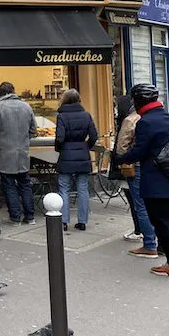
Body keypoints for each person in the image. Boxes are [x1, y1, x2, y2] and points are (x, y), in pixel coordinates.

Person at [114, 83, 169, 278]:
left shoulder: (146, 122)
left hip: (155, 178)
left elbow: (141, 150)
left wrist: (121, 157)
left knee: (160, 221)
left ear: (139, 101)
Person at [114, 97, 159, 258]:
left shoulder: (130, 120)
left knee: (140, 205)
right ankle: (161, 242)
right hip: (156, 166)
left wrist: (123, 159)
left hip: (137, 166)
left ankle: (149, 244)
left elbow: (121, 147)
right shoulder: (154, 117)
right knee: (155, 204)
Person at [0, 82, 37, 225]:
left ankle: (15, 217)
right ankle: (30, 217)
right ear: (13, 91)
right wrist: (24, 140)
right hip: (22, 152)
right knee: (25, 183)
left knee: (9, 184)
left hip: (4, 152)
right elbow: (33, 130)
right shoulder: (26, 106)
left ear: (0, 93)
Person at [54, 89, 98, 231]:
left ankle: (64, 221)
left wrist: (59, 148)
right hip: (83, 154)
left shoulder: (61, 116)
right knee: (83, 188)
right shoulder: (86, 115)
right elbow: (94, 136)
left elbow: (60, 137)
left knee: (64, 189)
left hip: (66, 155)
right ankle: (82, 221)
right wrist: (86, 146)